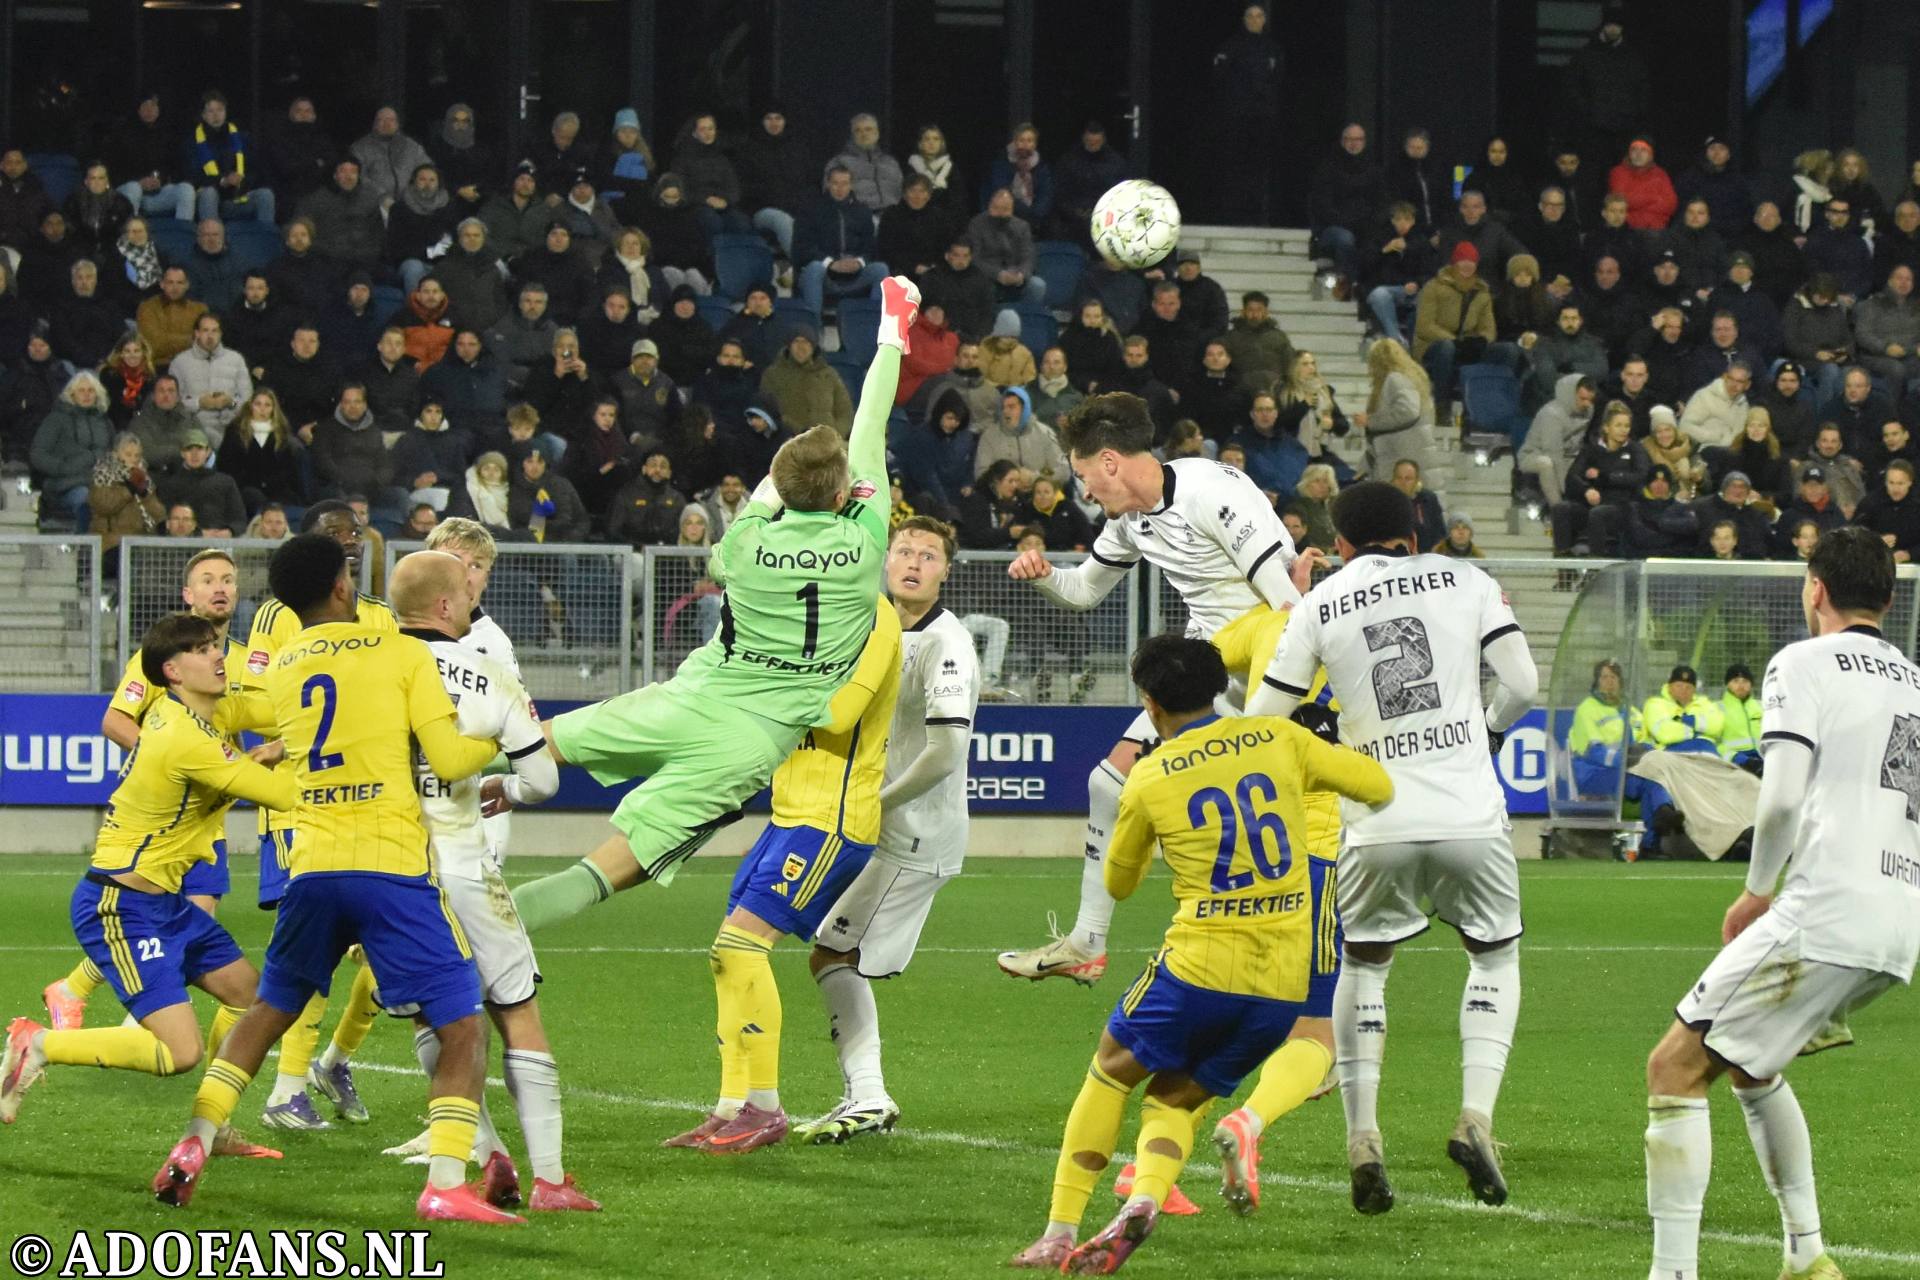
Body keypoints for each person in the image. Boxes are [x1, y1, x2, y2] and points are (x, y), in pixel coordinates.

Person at [502, 278, 918, 934]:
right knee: (603, 871)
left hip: (689, 699)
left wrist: (779, 478)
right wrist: (893, 328)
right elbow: (870, 419)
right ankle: (473, 932)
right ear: (844, 496)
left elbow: (760, 503)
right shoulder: (868, 539)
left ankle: (398, 772)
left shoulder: (745, 542)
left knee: (534, 742)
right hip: (753, 741)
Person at [140, 536, 511, 1221]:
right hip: (390, 866)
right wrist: (505, 733)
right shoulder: (401, 652)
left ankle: (195, 1138)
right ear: (344, 586)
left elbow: (245, 714)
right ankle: (446, 1183)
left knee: (267, 1011)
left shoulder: (283, 667)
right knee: (463, 1026)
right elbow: (452, 760)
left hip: (311, 866)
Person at [1248, 480, 1538, 1214]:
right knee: (1493, 958)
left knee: (1365, 968)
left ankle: (1364, 1139)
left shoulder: (1321, 603)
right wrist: (1489, 731)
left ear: (1341, 544)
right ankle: (1475, 1117)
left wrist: (1317, 736)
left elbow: (1263, 718)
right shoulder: (1468, 579)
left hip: (1375, 819)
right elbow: (1523, 684)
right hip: (1470, 815)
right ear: (1415, 535)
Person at [1643, 525, 1914, 1280]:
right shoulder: (1915, 682)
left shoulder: (1802, 662)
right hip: (1898, 924)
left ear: (1814, 589)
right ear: (1889, 602)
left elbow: (1783, 796)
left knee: (1673, 1066)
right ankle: (1806, 1254)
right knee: (1749, 1067)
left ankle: (1672, 1274)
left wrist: (1756, 892)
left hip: (1826, 910)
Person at [995, 392, 1308, 984]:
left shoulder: (1212, 494)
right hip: (1208, 671)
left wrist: (1272, 716)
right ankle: (1086, 943)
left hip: (1269, 670)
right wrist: (1044, 576)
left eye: (1084, 476)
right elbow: (1084, 591)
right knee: (1109, 783)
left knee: (1268, 820)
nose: (1085, 491)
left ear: (1110, 462)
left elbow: (1289, 609)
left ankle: (1280, 956)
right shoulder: (1130, 519)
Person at [0, 614, 292, 1140]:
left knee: (254, 999)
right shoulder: (184, 737)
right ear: (172, 672)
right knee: (180, 1052)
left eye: (214, 645)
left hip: (166, 905)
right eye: (201, 650)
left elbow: (283, 713)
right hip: (120, 906)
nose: (217, 655)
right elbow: (286, 795)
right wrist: (319, 762)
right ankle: (38, 1044)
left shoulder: (204, 711)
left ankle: (211, 1126)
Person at [369, 552, 595, 1212]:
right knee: (516, 1011)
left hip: (392, 871)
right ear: (444, 605)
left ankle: (488, 1152)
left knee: (434, 1015)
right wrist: (504, 786)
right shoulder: (486, 672)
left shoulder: (369, 669)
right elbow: (542, 781)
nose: (474, 601)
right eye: (466, 593)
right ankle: (550, 1179)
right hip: (466, 863)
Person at [659, 598, 901, 1154]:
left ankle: (765, 1108)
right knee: (725, 954)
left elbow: (840, 714)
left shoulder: (872, 615)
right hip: (790, 814)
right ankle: (731, 1105)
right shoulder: (807, 610)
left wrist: (763, 689)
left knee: (742, 947)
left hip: (833, 818)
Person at [239, 501, 399, 1131]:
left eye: (354, 532)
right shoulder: (278, 615)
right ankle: (283, 1090)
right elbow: (256, 702)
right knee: (312, 953)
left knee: (385, 954)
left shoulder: (382, 616)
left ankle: (332, 1062)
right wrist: (294, 737)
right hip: (297, 805)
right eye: (334, 534)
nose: (349, 541)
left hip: (372, 805)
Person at [1211, 3, 1282, 225]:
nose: (1254, 20)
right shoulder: (1231, 46)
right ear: (1244, 20)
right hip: (1236, 117)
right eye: (1250, 16)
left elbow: (1278, 80)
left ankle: (1259, 216)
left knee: (1259, 169)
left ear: (1264, 20)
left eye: (1258, 16)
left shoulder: (1273, 49)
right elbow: (1219, 77)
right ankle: (1232, 216)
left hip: (1262, 118)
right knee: (1234, 167)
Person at [794, 166, 889, 321]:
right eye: (835, 183)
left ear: (851, 185)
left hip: (855, 275)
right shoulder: (811, 210)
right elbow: (802, 247)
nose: (840, 188)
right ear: (828, 184)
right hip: (824, 274)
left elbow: (871, 247)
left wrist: (859, 262)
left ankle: (871, 325)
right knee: (815, 268)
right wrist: (830, 263)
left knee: (880, 269)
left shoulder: (862, 211)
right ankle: (813, 328)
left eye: (844, 183)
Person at [1413, 242, 1496, 422]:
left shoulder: (1482, 293)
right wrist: (1453, 340)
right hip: (1433, 346)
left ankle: (1491, 407)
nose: (1467, 265)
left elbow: (1489, 329)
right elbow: (1424, 326)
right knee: (1446, 348)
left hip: (1466, 345)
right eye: (1463, 261)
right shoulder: (1433, 287)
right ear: (1454, 263)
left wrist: (1481, 340)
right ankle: (1442, 406)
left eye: (1471, 262)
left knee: (1506, 351)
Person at [31, 370, 114, 531]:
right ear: (72, 394)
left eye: (91, 390)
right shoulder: (56, 420)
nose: (86, 395)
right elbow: (38, 454)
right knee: (84, 499)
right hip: (65, 486)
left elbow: (113, 454)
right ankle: (84, 545)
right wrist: (62, 467)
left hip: (100, 483)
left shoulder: (105, 423)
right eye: (81, 390)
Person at [1308, 124, 1387, 287]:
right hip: (1333, 227)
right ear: (1342, 141)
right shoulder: (1328, 169)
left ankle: (1365, 285)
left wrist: (1368, 222)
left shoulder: (1374, 171)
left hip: (1365, 226)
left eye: (1358, 139)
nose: (1354, 143)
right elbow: (1322, 205)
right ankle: (1346, 284)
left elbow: (1381, 203)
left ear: (1364, 142)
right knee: (1345, 238)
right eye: (1349, 139)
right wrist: (1348, 222)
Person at [186, 91, 274, 225]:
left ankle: (265, 236)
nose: (216, 115)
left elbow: (255, 170)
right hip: (210, 199)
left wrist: (241, 181)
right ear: (203, 115)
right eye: (211, 111)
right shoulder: (192, 142)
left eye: (220, 110)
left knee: (265, 195)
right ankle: (212, 234)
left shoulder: (242, 137)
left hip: (238, 196)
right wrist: (222, 181)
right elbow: (192, 176)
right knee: (209, 193)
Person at [1608, 137, 1676, 231]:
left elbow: (1671, 204)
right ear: (1629, 153)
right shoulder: (1618, 172)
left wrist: (1639, 204)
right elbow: (1622, 202)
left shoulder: (1660, 174)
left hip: (1655, 230)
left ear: (1651, 155)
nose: (1638, 154)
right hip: (1626, 229)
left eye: (1643, 150)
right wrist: (1653, 198)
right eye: (1634, 149)